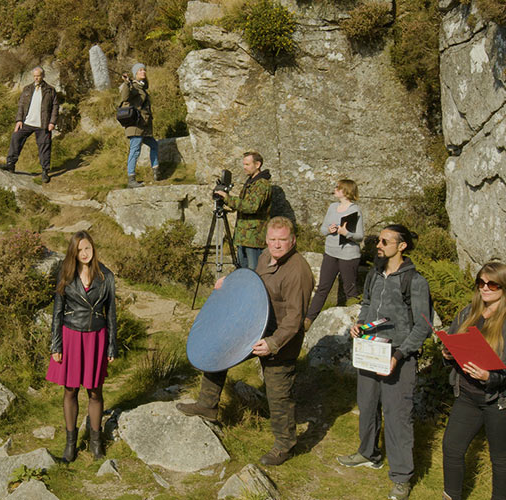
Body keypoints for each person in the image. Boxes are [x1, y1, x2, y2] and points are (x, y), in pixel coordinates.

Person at [177, 216, 313, 466]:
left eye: (282, 240)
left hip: (280, 340)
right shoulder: (264, 256)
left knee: (278, 394)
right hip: (254, 326)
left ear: (292, 240)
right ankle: (208, 405)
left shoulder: (298, 272)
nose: (276, 244)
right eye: (272, 239)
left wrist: (272, 343)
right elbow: (251, 283)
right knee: (219, 348)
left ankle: (285, 445)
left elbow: (294, 320)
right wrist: (228, 283)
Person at [337, 224, 433, 500]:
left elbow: (423, 326)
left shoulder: (415, 281)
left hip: (398, 358)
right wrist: (359, 325)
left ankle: (402, 477)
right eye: (378, 240)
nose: (378, 245)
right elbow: (367, 305)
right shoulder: (375, 274)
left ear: (401, 246)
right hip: (369, 352)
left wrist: (400, 355)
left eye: (384, 241)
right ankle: (369, 454)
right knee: (366, 406)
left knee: (397, 417)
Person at [441, 262, 506, 500]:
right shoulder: (467, 313)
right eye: (480, 283)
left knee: (500, 458)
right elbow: (454, 344)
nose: (485, 288)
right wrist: (448, 353)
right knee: (452, 448)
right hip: (467, 395)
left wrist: (490, 377)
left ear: (504, 287)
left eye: (492, 284)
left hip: (500, 401)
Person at [46, 231, 118, 462]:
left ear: (93, 248)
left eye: (87, 248)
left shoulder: (106, 276)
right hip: (71, 336)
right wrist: (56, 345)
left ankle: (96, 445)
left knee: (95, 390)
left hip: (96, 337)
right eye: (79, 250)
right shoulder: (65, 275)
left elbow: (111, 314)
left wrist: (111, 347)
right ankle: (70, 447)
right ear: (73, 253)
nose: (84, 254)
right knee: (70, 390)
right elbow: (57, 312)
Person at [303, 179, 364, 330]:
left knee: (350, 291)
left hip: (348, 256)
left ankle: (357, 324)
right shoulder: (332, 207)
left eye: (338, 187)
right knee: (323, 287)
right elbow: (322, 229)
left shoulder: (355, 210)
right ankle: (309, 319)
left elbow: (360, 236)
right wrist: (328, 230)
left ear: (346, 191)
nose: (335, 189)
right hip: (330, 253)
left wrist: (346, 233)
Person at [0, 66, 59, 184]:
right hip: (26, 122)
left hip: (43, 124)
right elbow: (21, 106)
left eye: (38, 76)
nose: (36, 78)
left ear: (43, 76)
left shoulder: (50, 90)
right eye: (34, 76)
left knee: (44, 146)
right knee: (16, 138)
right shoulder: (27, 89)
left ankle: (45, 171)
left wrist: (52, 122)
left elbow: (55, 107)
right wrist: (18, 120)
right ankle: (10, 164)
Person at [215, 151, 271, 271]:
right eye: (244, 164)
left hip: (254, 238)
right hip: (243, 236)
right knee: (242, 271)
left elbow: (252, 206)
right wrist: (226, 200)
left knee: (254, 273)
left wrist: (228, 198)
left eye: (247, 164)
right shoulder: (251, 182)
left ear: (257, 164)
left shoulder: (262, 184)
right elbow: (242, 204)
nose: (244, 168)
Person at [119, 63, 159, 188]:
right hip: (135, 125)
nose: (143, 72)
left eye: (144, 70)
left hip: (143, 125)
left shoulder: (141, 87)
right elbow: (125, 97)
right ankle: (131, 179)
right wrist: (126, 83)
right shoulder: (133, 86)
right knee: (135, 150)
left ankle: (156, 172)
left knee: (154, 145)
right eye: (140, 70)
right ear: (135, 73)